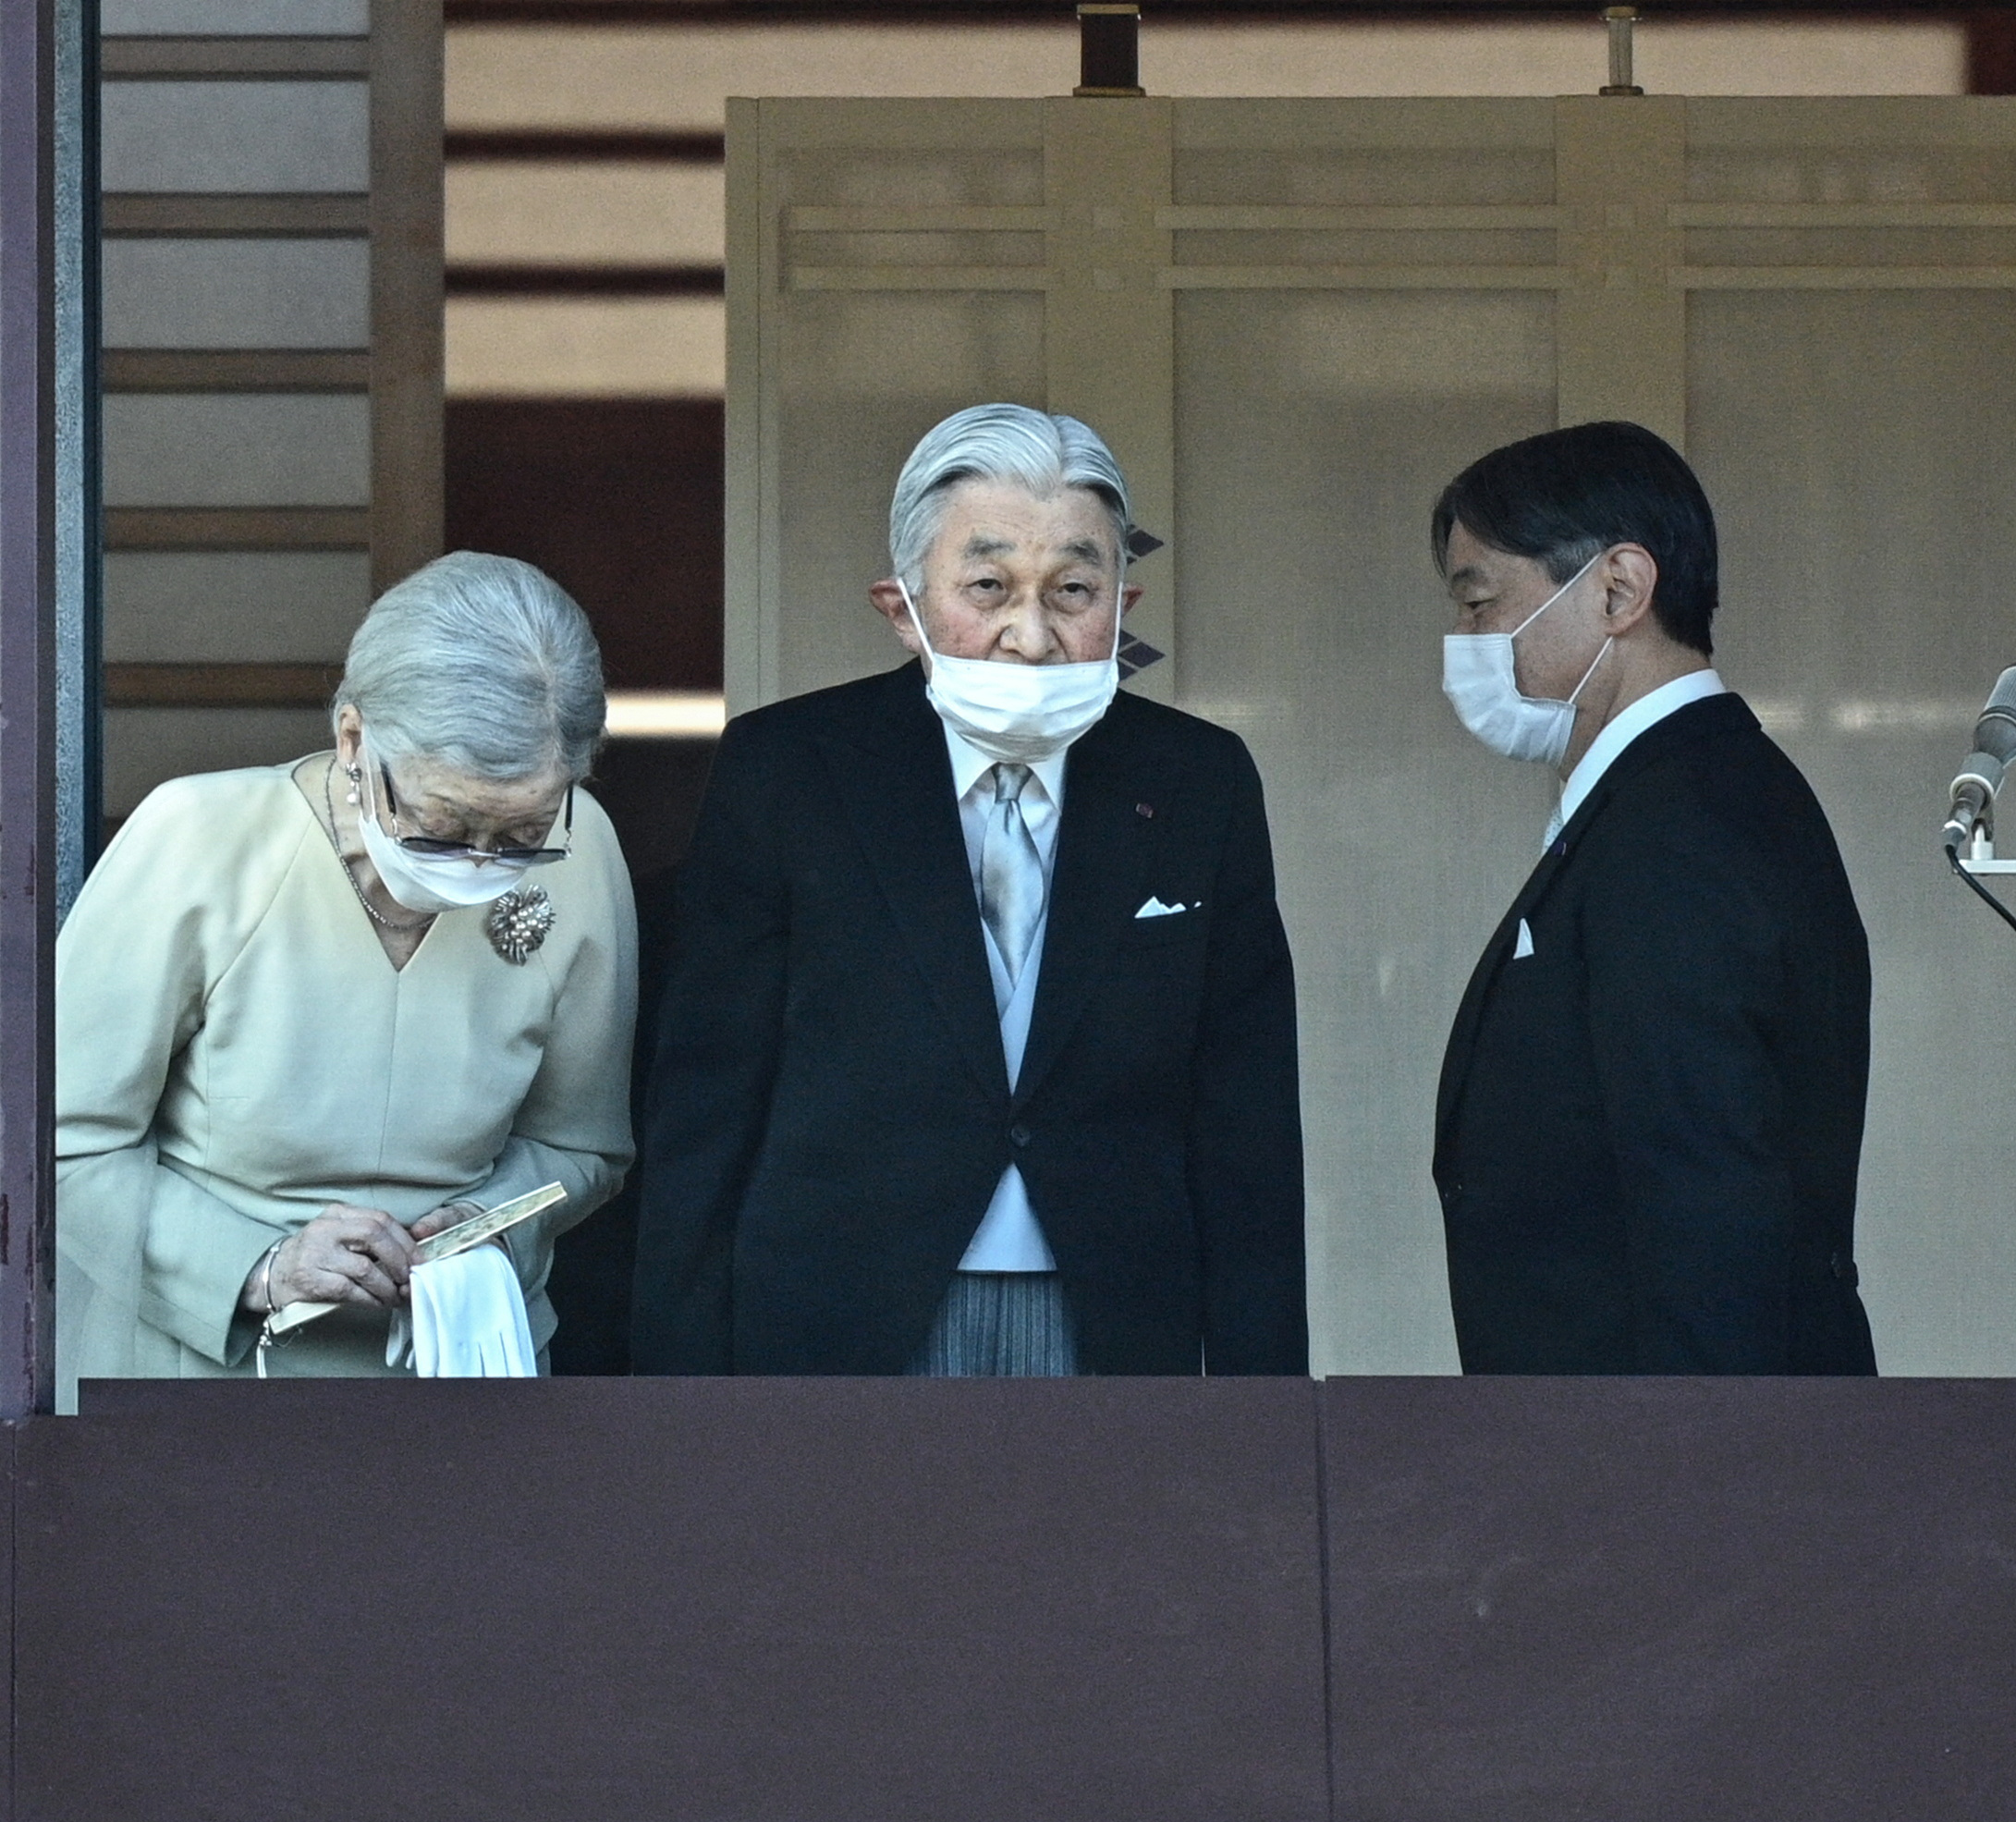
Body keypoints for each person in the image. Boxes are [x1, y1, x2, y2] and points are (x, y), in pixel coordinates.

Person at [631, 404, 1306, 1376]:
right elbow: (708, 1099)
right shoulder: (790, 769)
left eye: (1074, 590)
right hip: (844, 1312)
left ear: (1125, 601)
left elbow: (1246, 1117)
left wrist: (1265, 1398)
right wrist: (677, 1387)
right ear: (902, 606)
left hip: (1113, 1312)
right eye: (987, 587)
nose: (1029, 636)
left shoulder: (1199, 779)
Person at [55, 553, 637, 1400]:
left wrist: (491, 1228)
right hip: (193, 1366)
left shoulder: (583, 855)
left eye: (520, 833)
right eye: (442, 823)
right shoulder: (199, 837)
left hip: (459, 1369)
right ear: (355, 739)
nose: (481, 859)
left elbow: (583, 1145)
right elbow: (62, 1137)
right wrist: (258, 1268)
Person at [1429, 422, 1876, 1374]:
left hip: (1669, 1455)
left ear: (1618, 589)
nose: (1465, 642)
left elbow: (1708, 1191)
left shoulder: (1681, 824)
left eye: (1480, 603)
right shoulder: (1678, 793)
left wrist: (1686, 1476)